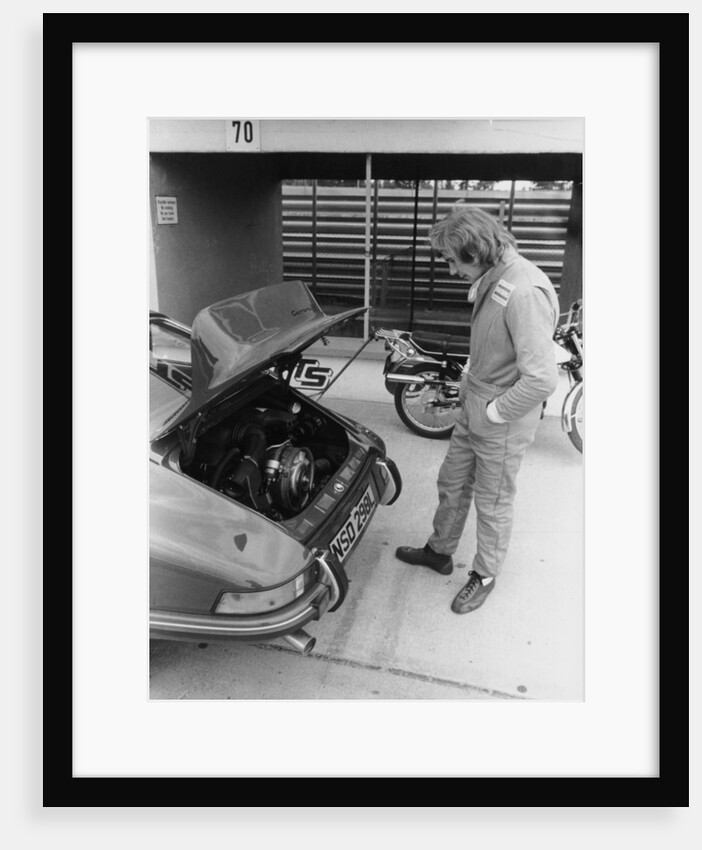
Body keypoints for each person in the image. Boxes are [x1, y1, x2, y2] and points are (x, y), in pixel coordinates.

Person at [395, 204, 560, 614]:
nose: (450, 270)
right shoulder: (496, 277)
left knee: (493, 501)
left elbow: (541, 379)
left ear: (477, 249)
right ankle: (440, 551)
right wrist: (471, 380)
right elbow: (495, 342)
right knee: (452, 482)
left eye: (452, 260)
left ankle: (484, 575)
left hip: (501, 416)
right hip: (476, 403)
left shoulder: (524, 291)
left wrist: (492, 413)